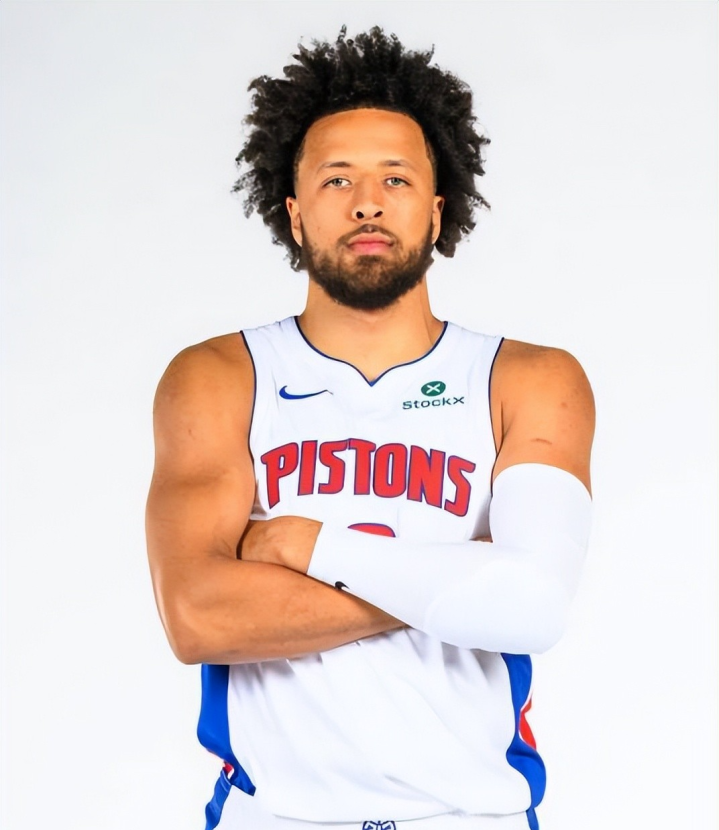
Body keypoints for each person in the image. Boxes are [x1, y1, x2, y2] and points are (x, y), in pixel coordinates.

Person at [146, 27, 595, 830]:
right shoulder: (217, 377)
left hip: (471, 817)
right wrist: (465, 578)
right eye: (336, 179)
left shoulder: (528, 380)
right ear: (292, 213)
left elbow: (531, 608)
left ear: (436, 208)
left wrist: (310, 547)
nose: (366, 202)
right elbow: (199, 617)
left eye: (395, 177)